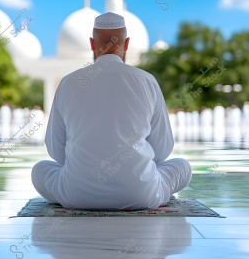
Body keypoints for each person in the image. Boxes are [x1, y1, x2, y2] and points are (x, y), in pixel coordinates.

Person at [32, 12, 192, 210]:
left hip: (76, 195)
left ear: (92, 44)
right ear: (126, 44)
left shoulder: (68, 83)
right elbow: (163, 150)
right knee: (183, 166)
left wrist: (82, 166)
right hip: (141, 195)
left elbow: (55, 150)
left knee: (39, 170)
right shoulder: (147, 81)